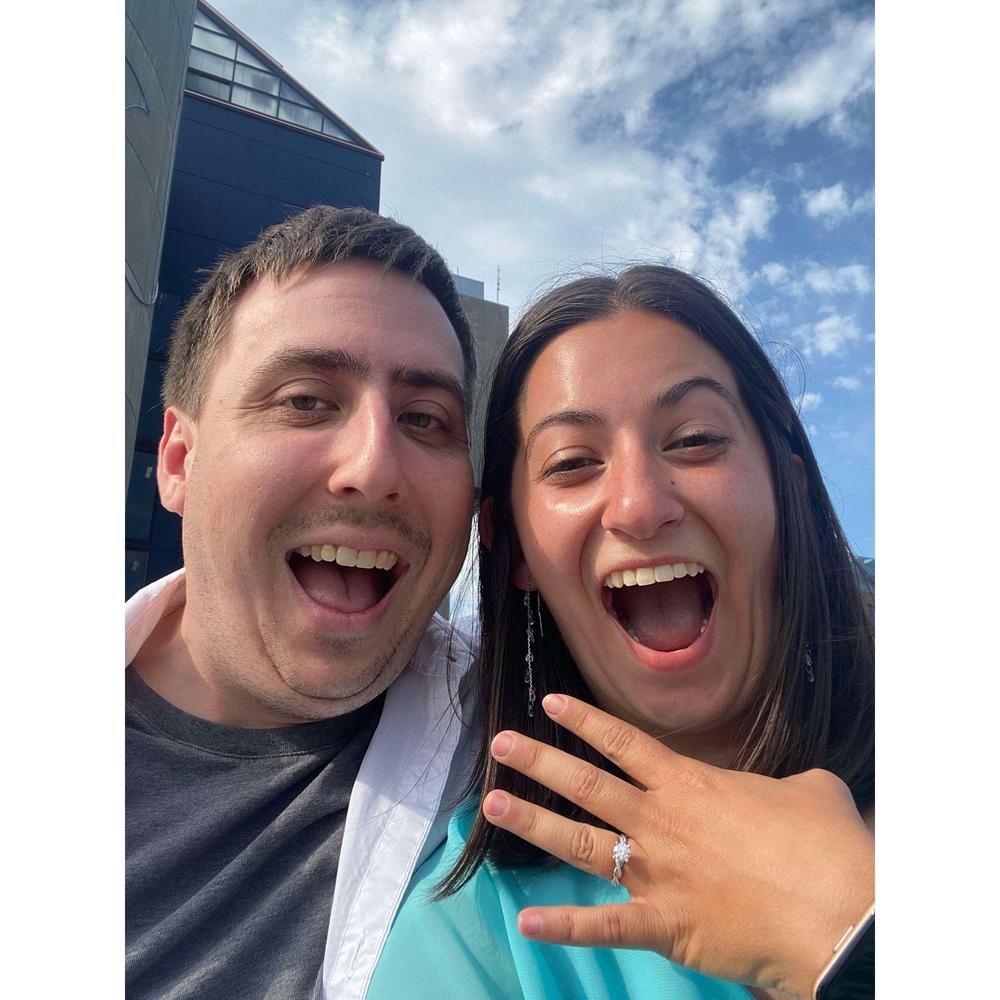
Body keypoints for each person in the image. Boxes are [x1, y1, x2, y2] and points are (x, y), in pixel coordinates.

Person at [370, 265, 874, 999]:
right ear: (512, 546)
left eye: (696, 440)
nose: (639, 506)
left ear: (788, 486)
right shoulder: (474, 934)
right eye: (573, 463)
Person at [125, 205, 481, 1000]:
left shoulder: (524, 734)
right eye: (305, 401)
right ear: (179, 461)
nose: (373, 467)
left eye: (426, 420)